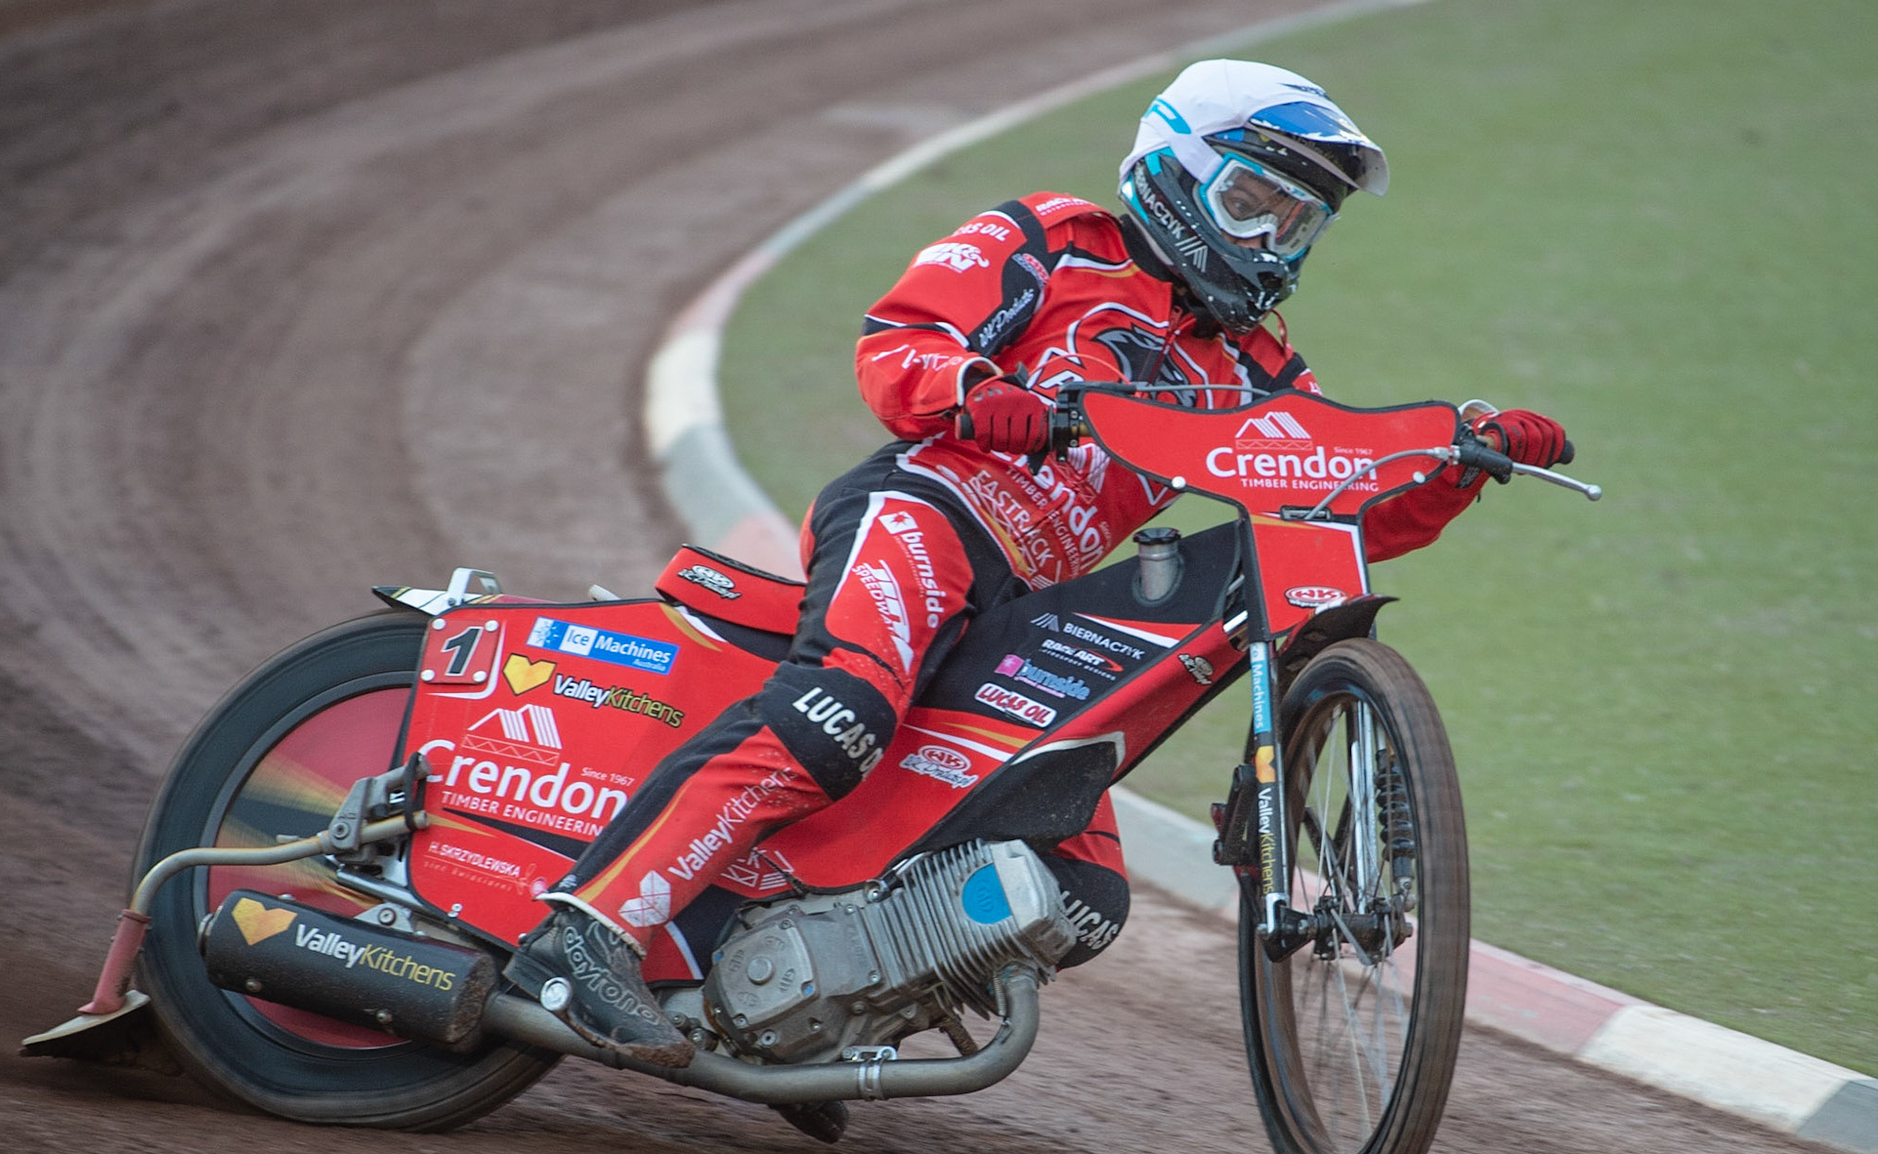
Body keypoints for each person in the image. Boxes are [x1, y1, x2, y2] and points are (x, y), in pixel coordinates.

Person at [505, 59, 1568, 1066]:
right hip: (928, 511)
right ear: (1173, 172)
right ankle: (586, 934)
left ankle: (810, 1018)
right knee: (842, 709)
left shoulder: (1256, 365)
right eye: (1254, 202)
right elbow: (896, 345)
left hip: (1033, 602)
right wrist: (986, 398)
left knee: (1081, 886)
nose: (1275, 241)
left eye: (1300, 221)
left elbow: (1340, 515)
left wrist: (1460, 458)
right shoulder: (1054, 239)